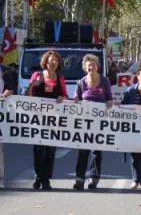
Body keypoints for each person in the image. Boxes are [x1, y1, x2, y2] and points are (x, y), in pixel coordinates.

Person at [22, 51, 68, 190]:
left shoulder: (60, 78)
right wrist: (32, 85)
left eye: (55, 60)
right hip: (38, 118)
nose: (53, 63)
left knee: (50, 150)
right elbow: (27, 96)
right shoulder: (37, 76)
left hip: (54, 120)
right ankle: (38, 177)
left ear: (58, 63)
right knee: (38, 149)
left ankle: (46, 179)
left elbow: (65, 96)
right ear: (45, 62)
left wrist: (62, 98)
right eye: (50, 60)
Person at [73, 54, 113, 190]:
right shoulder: (81, 83)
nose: (91, 67)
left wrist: (109, 104)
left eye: (93, 64)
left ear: (98, 66)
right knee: (83, 150)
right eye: (88, 65)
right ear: (85, 67)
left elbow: (109, 99)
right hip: (84, 122)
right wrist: (77, 102)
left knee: (97, 151)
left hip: (100, 122)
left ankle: (94, 178)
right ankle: (79, 179)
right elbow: (76, 99)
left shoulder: (104, 81)